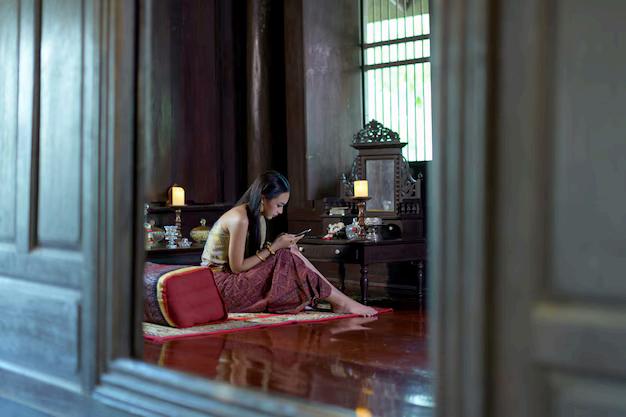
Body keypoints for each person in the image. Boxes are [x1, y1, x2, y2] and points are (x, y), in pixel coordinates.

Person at [201, 170, 378, 317]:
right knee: (284, 254)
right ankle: (340, 301)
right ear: (263, 198)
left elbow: (254, 260)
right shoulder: (240, 218)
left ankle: (338, 300)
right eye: (279, 205)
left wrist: (279, 246)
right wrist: (274, 247)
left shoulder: (257, 217)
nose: (280, 211)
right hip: (219, 287)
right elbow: (237, 267)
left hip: (231, 281)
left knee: (290, 251)